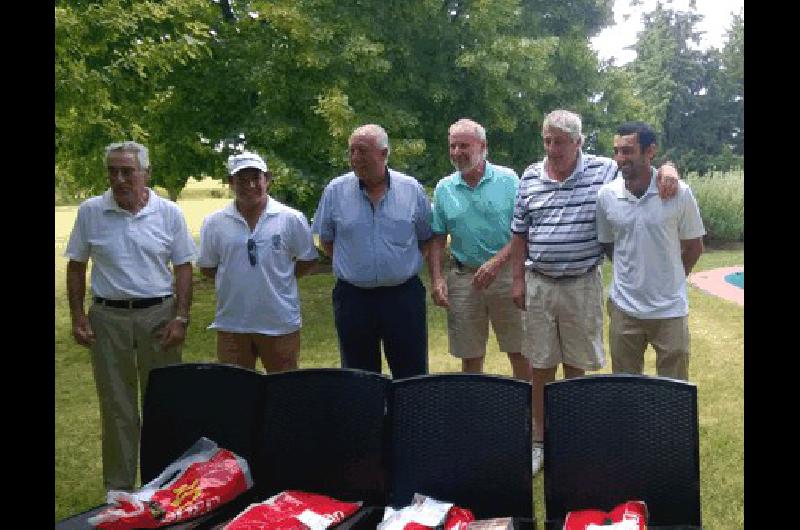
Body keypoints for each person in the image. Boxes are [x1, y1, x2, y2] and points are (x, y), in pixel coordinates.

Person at [510, 110, 680, 475]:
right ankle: (539, 440)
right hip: (539, 282)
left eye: (559, 142)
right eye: (547, 141)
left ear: (578, 143)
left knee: (576, 365)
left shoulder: (604, 169)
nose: (552, 149)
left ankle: (574, 438)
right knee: (540, 364)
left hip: (582, 283)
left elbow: (641, 168)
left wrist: (669, 169)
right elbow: (519, 231)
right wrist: (518, 281)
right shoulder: (529, 176)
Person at [65, 141, 196, 492]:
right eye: (112, 171)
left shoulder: (169, 213)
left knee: (163, 404)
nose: (119, 178)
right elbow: (76, 266)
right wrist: (78, 315)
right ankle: (120, 492)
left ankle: (165, 487)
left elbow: (183, 267)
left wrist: (181, 317)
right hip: (108, 319)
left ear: (145, 173)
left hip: (159, 315)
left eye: (127, 171)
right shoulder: (92, 211)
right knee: (118, 410)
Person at [311, 124, 433, 378]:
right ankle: (366, 419)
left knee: (411, 374)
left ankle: (410, 418)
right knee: (358, 377)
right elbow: (327, 239)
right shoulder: (335, 191)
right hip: (353, 298)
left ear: (384, 154)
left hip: (403, 297)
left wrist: (396, 265)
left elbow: (425, 239)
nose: (355, 158)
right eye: (351, 151)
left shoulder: (411, 189)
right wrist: (357, 266)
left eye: (362, 151)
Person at [597, 121, 705, 380]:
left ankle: (669, 424)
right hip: (624, 310)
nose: (620, 159)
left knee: (674, 391)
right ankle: (630, 424)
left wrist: (674, 276)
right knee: (625, 391)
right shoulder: (607, 196)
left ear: (650, 151)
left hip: (670, 312)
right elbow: (608, 243)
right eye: (617, 151)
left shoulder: (679, 194)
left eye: (628, 151)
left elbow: (694, 246)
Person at [427, 118, 531, 380]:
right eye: (452, 146)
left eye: (464, 145)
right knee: (470, 355)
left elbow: (524, 230)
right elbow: (437, 238)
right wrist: (438, 279)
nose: (457, 152)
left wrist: (497, 262)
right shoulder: (444, 188)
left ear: (483, 146)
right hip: (464, 280)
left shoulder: (509, 180)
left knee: (519, 350)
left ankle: (531, 414)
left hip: (507, 275)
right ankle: (475, 412)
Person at [197, 152, 318, 372]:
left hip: (280, 323)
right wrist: (237, 277)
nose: (250, 185)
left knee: (284, 392)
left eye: (256, 178)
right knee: (236, 395)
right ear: (230, 182)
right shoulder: (214, 223)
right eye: (242, 179)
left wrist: (279, 278)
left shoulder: (291, 218)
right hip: (232, 324)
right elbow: (207, 266)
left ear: (268, 179)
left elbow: (307, 260)